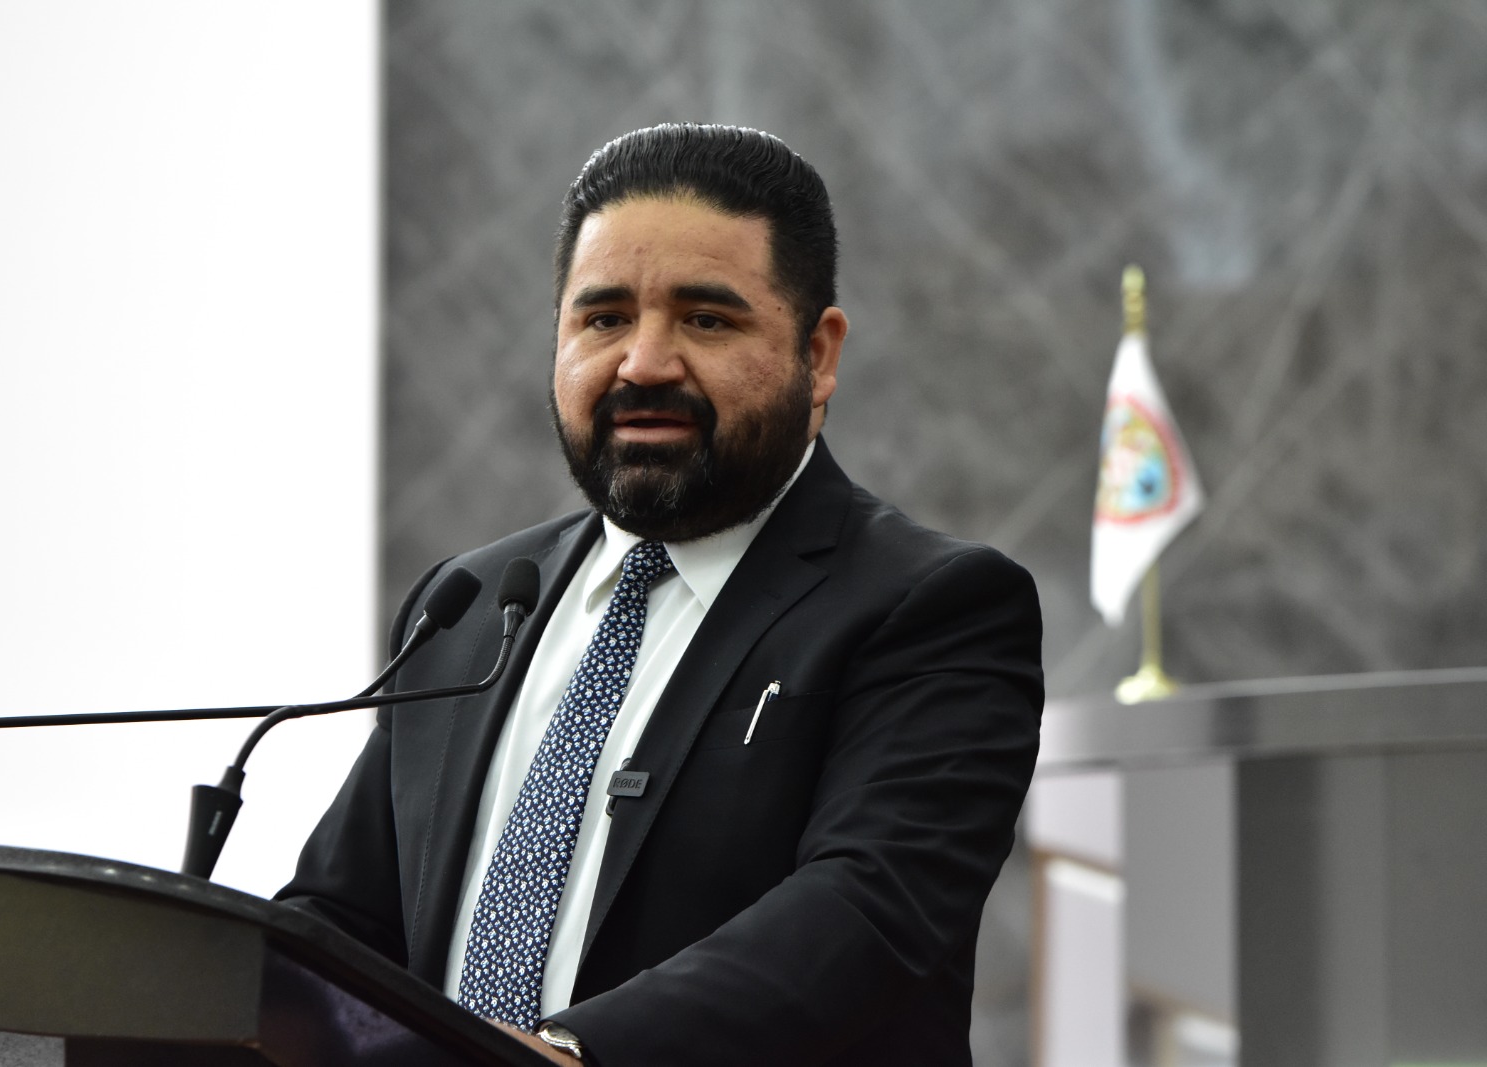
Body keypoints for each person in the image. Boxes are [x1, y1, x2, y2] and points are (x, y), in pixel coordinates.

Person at [278, 123, 1044, 1066]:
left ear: (819, 354)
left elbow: (867, 911)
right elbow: (341, 919)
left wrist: (562, 1057)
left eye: (706, 320)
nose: (643, 363)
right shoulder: (469, 604)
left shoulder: (933, 607)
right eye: (603, 318)